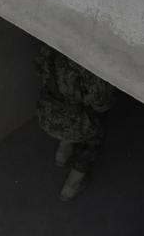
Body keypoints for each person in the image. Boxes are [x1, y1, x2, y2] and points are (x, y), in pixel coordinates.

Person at [35, 44, 115, 200]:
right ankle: (71, 186)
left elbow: (38, 66)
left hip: (45, 114)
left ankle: (62, 154)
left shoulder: (53, 45)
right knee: (94, 138)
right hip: (72, 123)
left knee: (69, 116)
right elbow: (102, 104)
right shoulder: (87, 65)